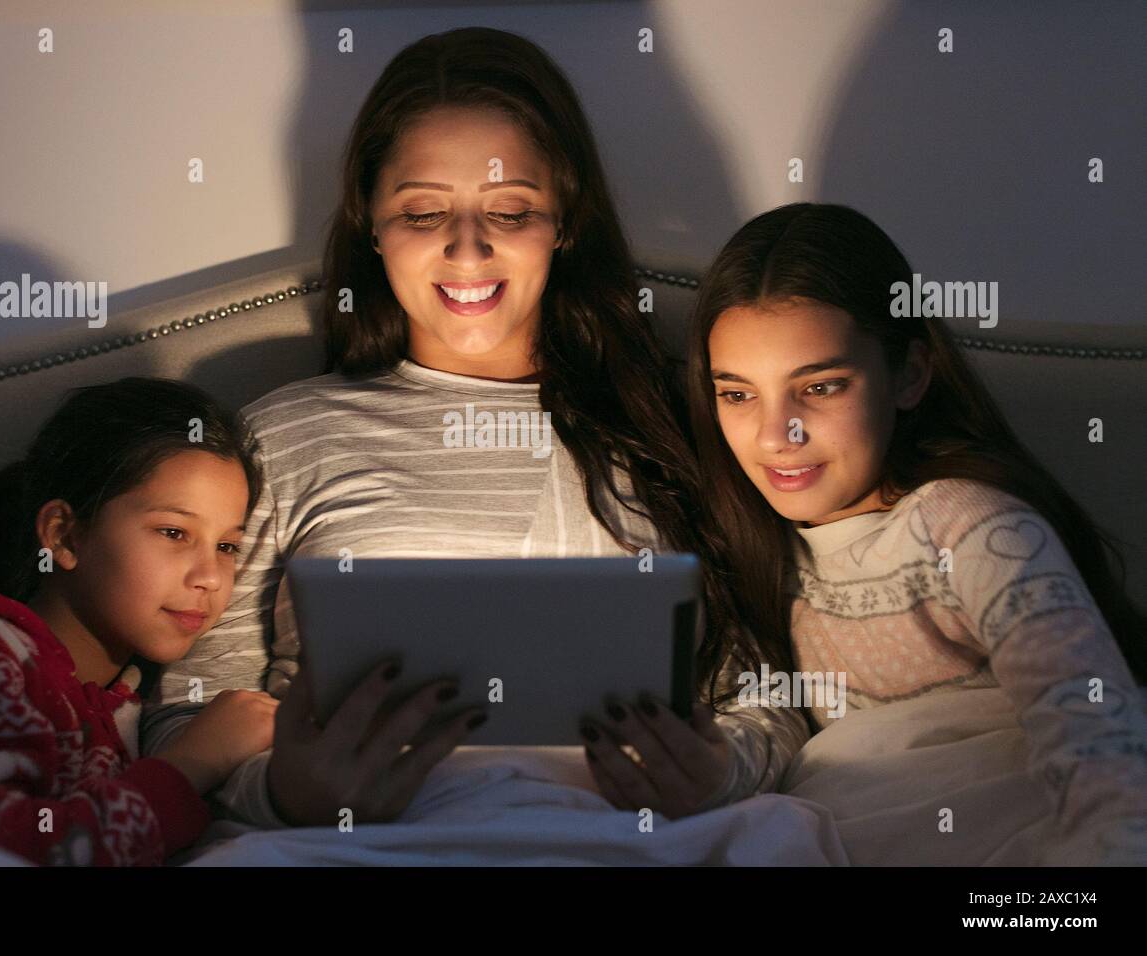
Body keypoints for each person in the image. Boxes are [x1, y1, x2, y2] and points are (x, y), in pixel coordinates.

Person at [141, 27, 809, 828]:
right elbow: (188, 716)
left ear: (564, 222)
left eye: (511, 209)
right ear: (371, 224)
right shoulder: (282, 435)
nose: (468, 248)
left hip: (613, 838)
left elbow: (768, 701)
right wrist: (287, 795)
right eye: (423, 212)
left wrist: (715, 773)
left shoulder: (679, 423)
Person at [687, 201, 1147, 864]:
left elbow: (1100, 745)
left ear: (908, 375)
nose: (774, 436)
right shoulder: (746, 545)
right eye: (736, 394)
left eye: (820, 387)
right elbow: (765, 724)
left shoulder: (967, 526)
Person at [0, 377, 278, 865]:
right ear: (65, 537)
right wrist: (192, 764)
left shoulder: (122, 708)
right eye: (174, 532)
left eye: (227, 547)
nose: (210, 578)